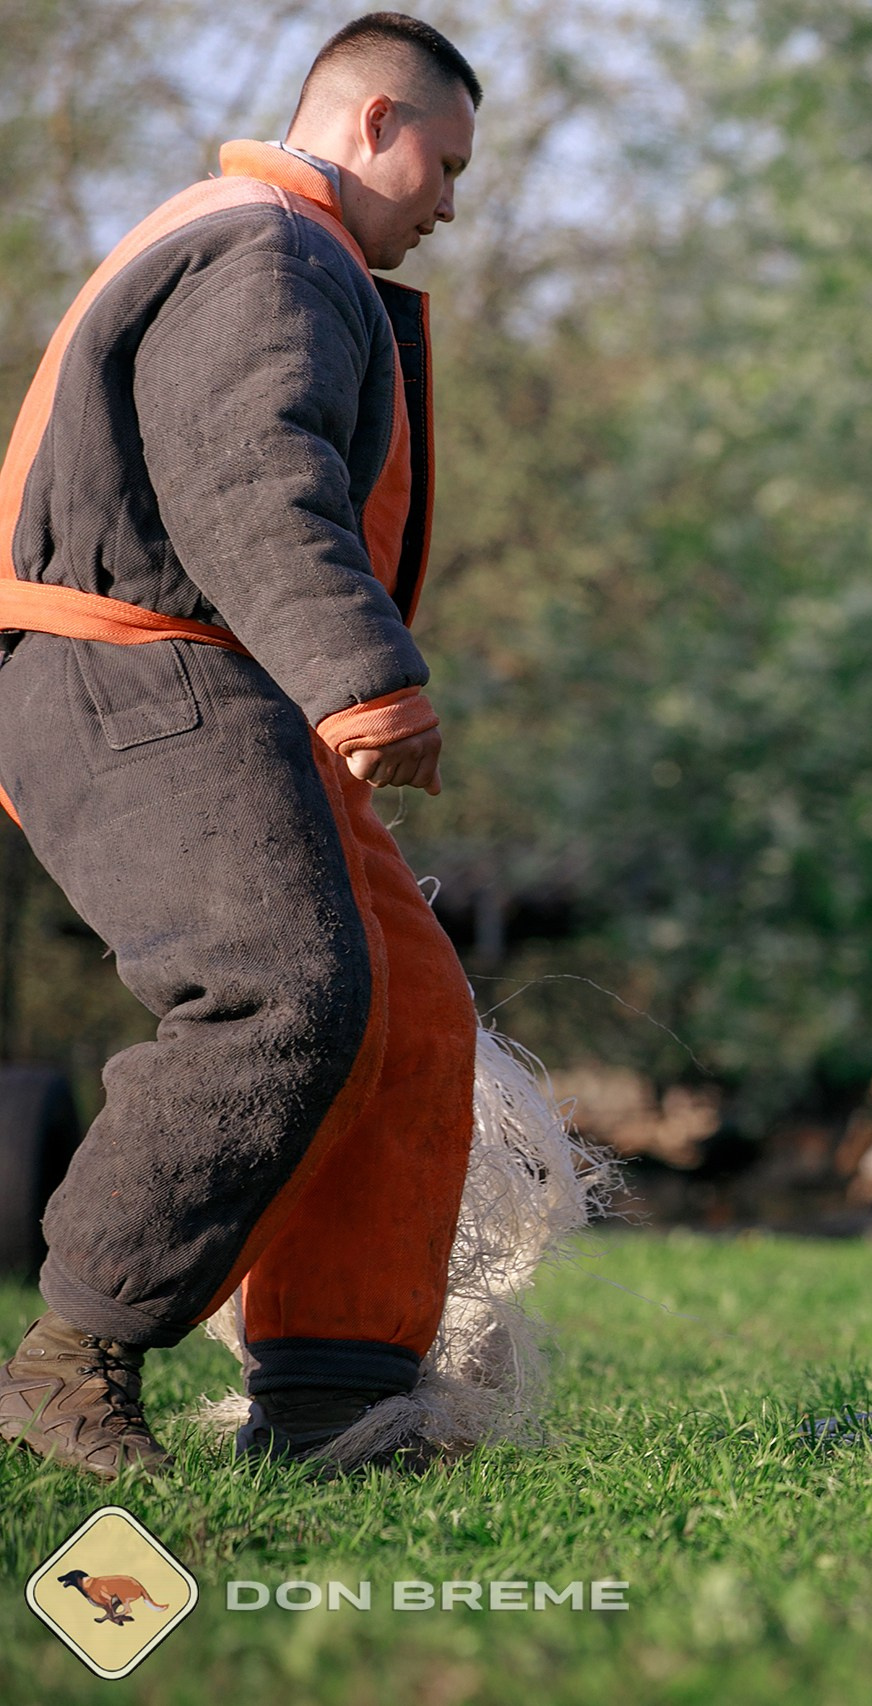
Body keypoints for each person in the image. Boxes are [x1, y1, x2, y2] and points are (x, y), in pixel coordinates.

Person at [0, 13, 485, 1475]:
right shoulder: (269, 248)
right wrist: (366, 680)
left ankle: (334, 1399)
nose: (451, 206)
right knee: (280, 991)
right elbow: (249, 479)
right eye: (446, 164)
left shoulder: (280, 245)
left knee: (405, 1012)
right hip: (135, 667)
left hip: (215, 675)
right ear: (375, 120)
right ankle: (72, 1357)